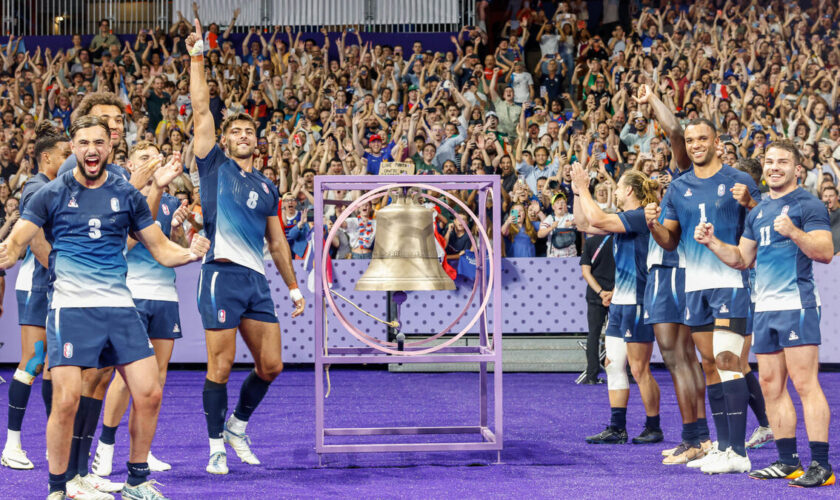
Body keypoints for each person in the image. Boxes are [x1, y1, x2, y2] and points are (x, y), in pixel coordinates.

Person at [0, 115, 209, 500]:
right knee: (65, 400)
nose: (92, 149)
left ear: (110, 147)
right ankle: (58, 488)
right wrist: (7, 254)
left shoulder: (127, 194)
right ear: (74, 148)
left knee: (149, 392)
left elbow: (160, 248)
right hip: (71, 310)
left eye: (99, 142)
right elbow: (18, 241)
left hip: (119, 307)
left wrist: (190, 254)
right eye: (83, 143)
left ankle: (136, 480)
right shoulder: (53, 192)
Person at [186, 19, 305, 475]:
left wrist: (293, 288)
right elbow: (200, 109)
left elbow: (276, 241)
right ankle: (216, 444)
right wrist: (198, 57)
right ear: (224, 139)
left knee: (271, 365)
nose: (243, 135)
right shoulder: (213, 164)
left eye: (248, 132)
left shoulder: (267, 185)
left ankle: (237, 425)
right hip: (219, 274)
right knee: (219, 366)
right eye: (235, 131)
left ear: (257, 142)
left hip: (255, 280)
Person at [696, 140, 835, 488]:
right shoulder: (757, 213)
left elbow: (826, 252)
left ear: (797, 169)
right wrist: (712, 243)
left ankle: (821, 465)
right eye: (769, 161)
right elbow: (742, 258)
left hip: (796, 307)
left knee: (804, 384)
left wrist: (794, 232)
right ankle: (788, 461)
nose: (774, 167)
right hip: (765, 309)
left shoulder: (809, 204)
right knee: (771, 385)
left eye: (783, 162)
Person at [645, 118, 760, 474]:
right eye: (690, 139)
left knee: (728, 361)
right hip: (694, 286)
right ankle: (722, 446)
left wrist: (752, 202)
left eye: (702, 138)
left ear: (716, 142)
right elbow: (671, 240)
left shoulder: (740, 181)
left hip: (731, 281)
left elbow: (761, 225)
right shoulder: (678, 188)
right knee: (708, 365)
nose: (695, 144)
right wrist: (653, 225)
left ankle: (738, 451)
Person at [90, 141, 191, 477]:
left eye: (155, 157)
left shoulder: (174, 202)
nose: (151, 162)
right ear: (130, 165)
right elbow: (129, 243)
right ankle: (105, 448)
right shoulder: (122, 200)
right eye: (144, 158)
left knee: (156, 380)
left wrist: (179, 231)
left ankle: (142, 453)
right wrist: (156, 195)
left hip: (165, 296)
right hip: (131, 294)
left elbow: (177, 252)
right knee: (123, 376)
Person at [573, 165, 663, 445]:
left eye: (617, 187)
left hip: (637, 300)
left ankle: (653, 427)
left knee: (639, 369)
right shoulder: (628, 216)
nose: (614, 192)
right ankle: (617, 427)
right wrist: (577, 190)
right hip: (621, 301)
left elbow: (597, 219)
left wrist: (586, 188)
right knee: (613, 364)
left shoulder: (639, 216)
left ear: (628, 191)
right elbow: (583, 224)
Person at [2, 123, 70, 471]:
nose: (71, 159)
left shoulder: (61, 186)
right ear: (47, 157)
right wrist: (66, 274)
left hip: (57, 286)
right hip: (39, 284)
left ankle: (51, 445)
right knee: (32, 362)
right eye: (65, 154)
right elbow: (36, 239)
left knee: (51, 369)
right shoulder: (35, 186)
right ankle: (11, 444)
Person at [578, 230, 614, 385]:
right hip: (618, 294)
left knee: (593, 334)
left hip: (594, 295)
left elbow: (585, 272)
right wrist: (611, 293)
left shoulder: (591, 242)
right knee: (621, 334)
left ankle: (591, 374)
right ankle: (625, 372)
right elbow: (626, 270)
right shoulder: (620, 241)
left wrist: (600, 292)